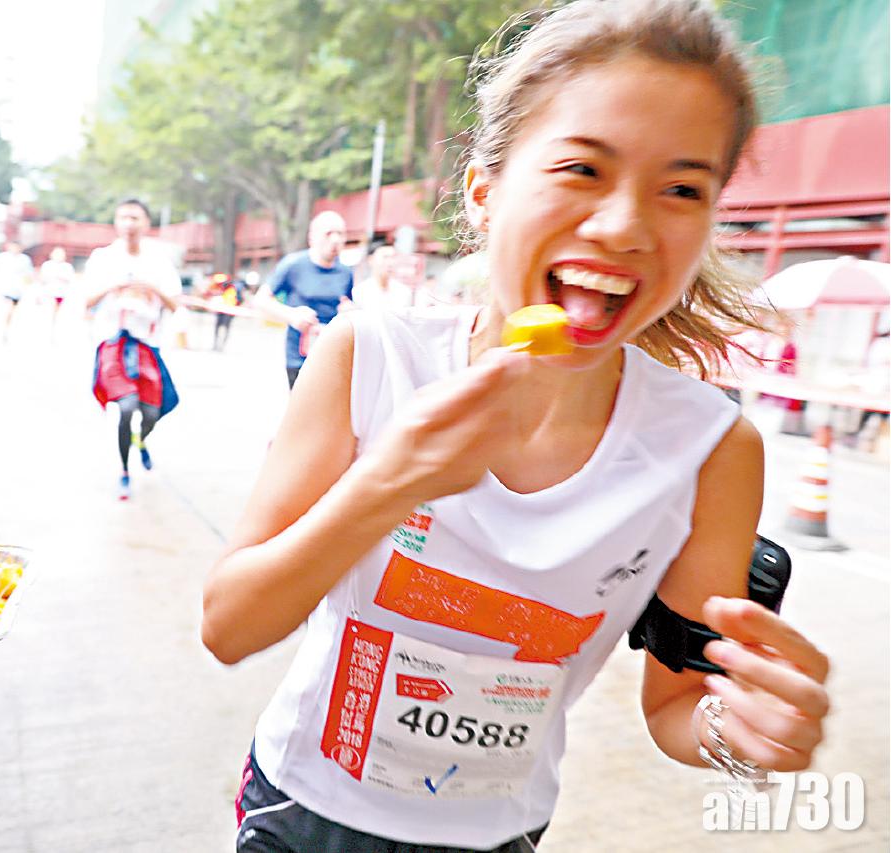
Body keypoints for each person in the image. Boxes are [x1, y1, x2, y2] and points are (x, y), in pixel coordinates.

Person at [203, 3, 831, 850]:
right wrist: (394, 481)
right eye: (581, 169)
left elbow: (679, 707)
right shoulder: (374, 354)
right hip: (306, 812)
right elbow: (229, 625)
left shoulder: (711, 449)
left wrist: (747, 730)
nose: (624, 226)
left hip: (503, 833)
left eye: (681, 189)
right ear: (485, 190)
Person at [85, 199, 181, 501]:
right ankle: (124, 470)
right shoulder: (103, 259)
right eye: (124, 217)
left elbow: (175, 303)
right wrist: (114, 287)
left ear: (145, 223)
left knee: (153, 411)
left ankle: (141, 440)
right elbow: (86, 301)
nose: (129, 223)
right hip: (113, 343)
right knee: (126, 407)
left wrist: (151, 287)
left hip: (146, 344)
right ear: (116, 222)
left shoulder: (159, 261)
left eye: (135, 218)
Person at [255, 210, 355, 389]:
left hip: (332, 354)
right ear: (312, 238)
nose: (335, 239)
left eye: (340, 234)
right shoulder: (293, 265)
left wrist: (349, 311)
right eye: (328, 233)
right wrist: (292, 315)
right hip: (299, 357)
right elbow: (261, 300)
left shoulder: (346, 273)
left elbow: (347, 303)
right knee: (302, 414)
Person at [0, 241, 35, 340]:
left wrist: (29, 287)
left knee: (11, 311)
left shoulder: (24, 259)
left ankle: (5, 328)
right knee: (4, 309)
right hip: (3, 288)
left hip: (17, 290)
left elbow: (29, 275)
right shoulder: (2, 257)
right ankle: (0, 329)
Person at [353, 245, 414, 311]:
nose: (390, 262)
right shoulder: (360, 291)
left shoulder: (404, 292)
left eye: (393, 257)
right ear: (371, 260)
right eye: (385, 257)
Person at [39, 246, 76, 329]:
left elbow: (71, 280)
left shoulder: (67, 266)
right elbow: (42, 280)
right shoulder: (47, 265)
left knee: (57, 313)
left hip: (62, 293)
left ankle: (53, 327)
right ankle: (48, 327)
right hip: (49, 293)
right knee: (50, 310)